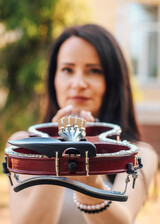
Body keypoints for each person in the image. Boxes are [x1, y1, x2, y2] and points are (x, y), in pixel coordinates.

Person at [8, 24, 158, 224]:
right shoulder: (22, 146)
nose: (78, 83)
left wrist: (90, 181)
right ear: (54, 79)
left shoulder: (136, 153)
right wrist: (54, 149)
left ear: (112, 82)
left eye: (94, 71)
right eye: (67, 69)